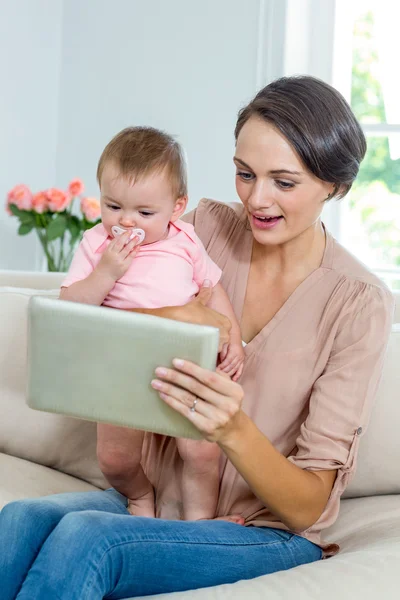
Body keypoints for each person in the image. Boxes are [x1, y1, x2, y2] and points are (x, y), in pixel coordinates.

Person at [0, 75, 394, 600]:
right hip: (159, 503)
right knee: (18, 522)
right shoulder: (201, 228)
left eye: (284, 181)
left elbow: (308, 507)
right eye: (244, 173)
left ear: (335, 185)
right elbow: (109, 316)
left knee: (88, 538)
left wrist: (231, 428)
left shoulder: (358, 302)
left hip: (264, 532)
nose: (257, 198)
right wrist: (179, 312)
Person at [59, 126, 245, 521]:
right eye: (112, 207)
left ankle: (199, 525)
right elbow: (69, 308)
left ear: (177, 207)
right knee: (114, 460)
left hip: (185, 364)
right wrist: (106, 272)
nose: (126, 222)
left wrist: (236, 340)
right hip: (119, 367)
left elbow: (214, 287)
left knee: (200, 450)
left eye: (145, 213)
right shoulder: (96, 244)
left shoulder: (185, 239)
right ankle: (140, 494)